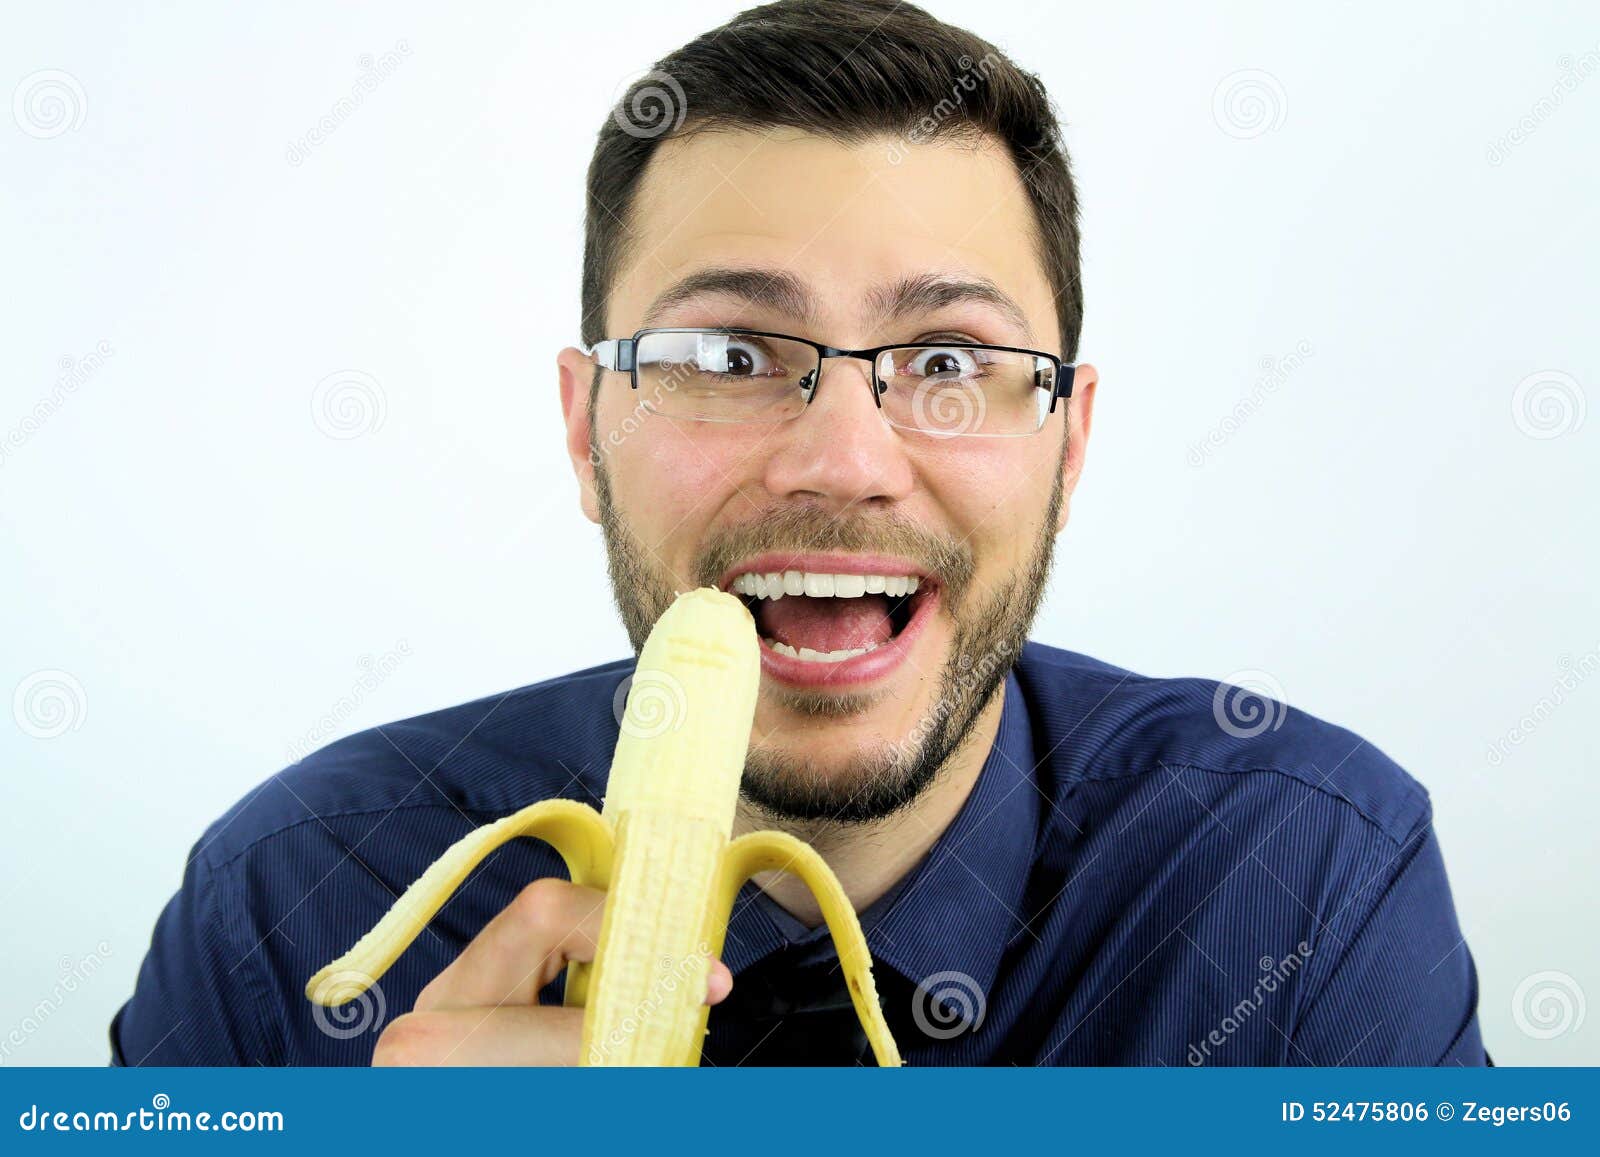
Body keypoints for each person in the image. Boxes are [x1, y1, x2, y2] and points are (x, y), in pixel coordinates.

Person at [112, 0, 1487, 1066]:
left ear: (1068, 448)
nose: (842, 460)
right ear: (586, 432)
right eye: (726, 354)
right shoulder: (283, 905)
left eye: (947, 360)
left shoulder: (1306, 887)